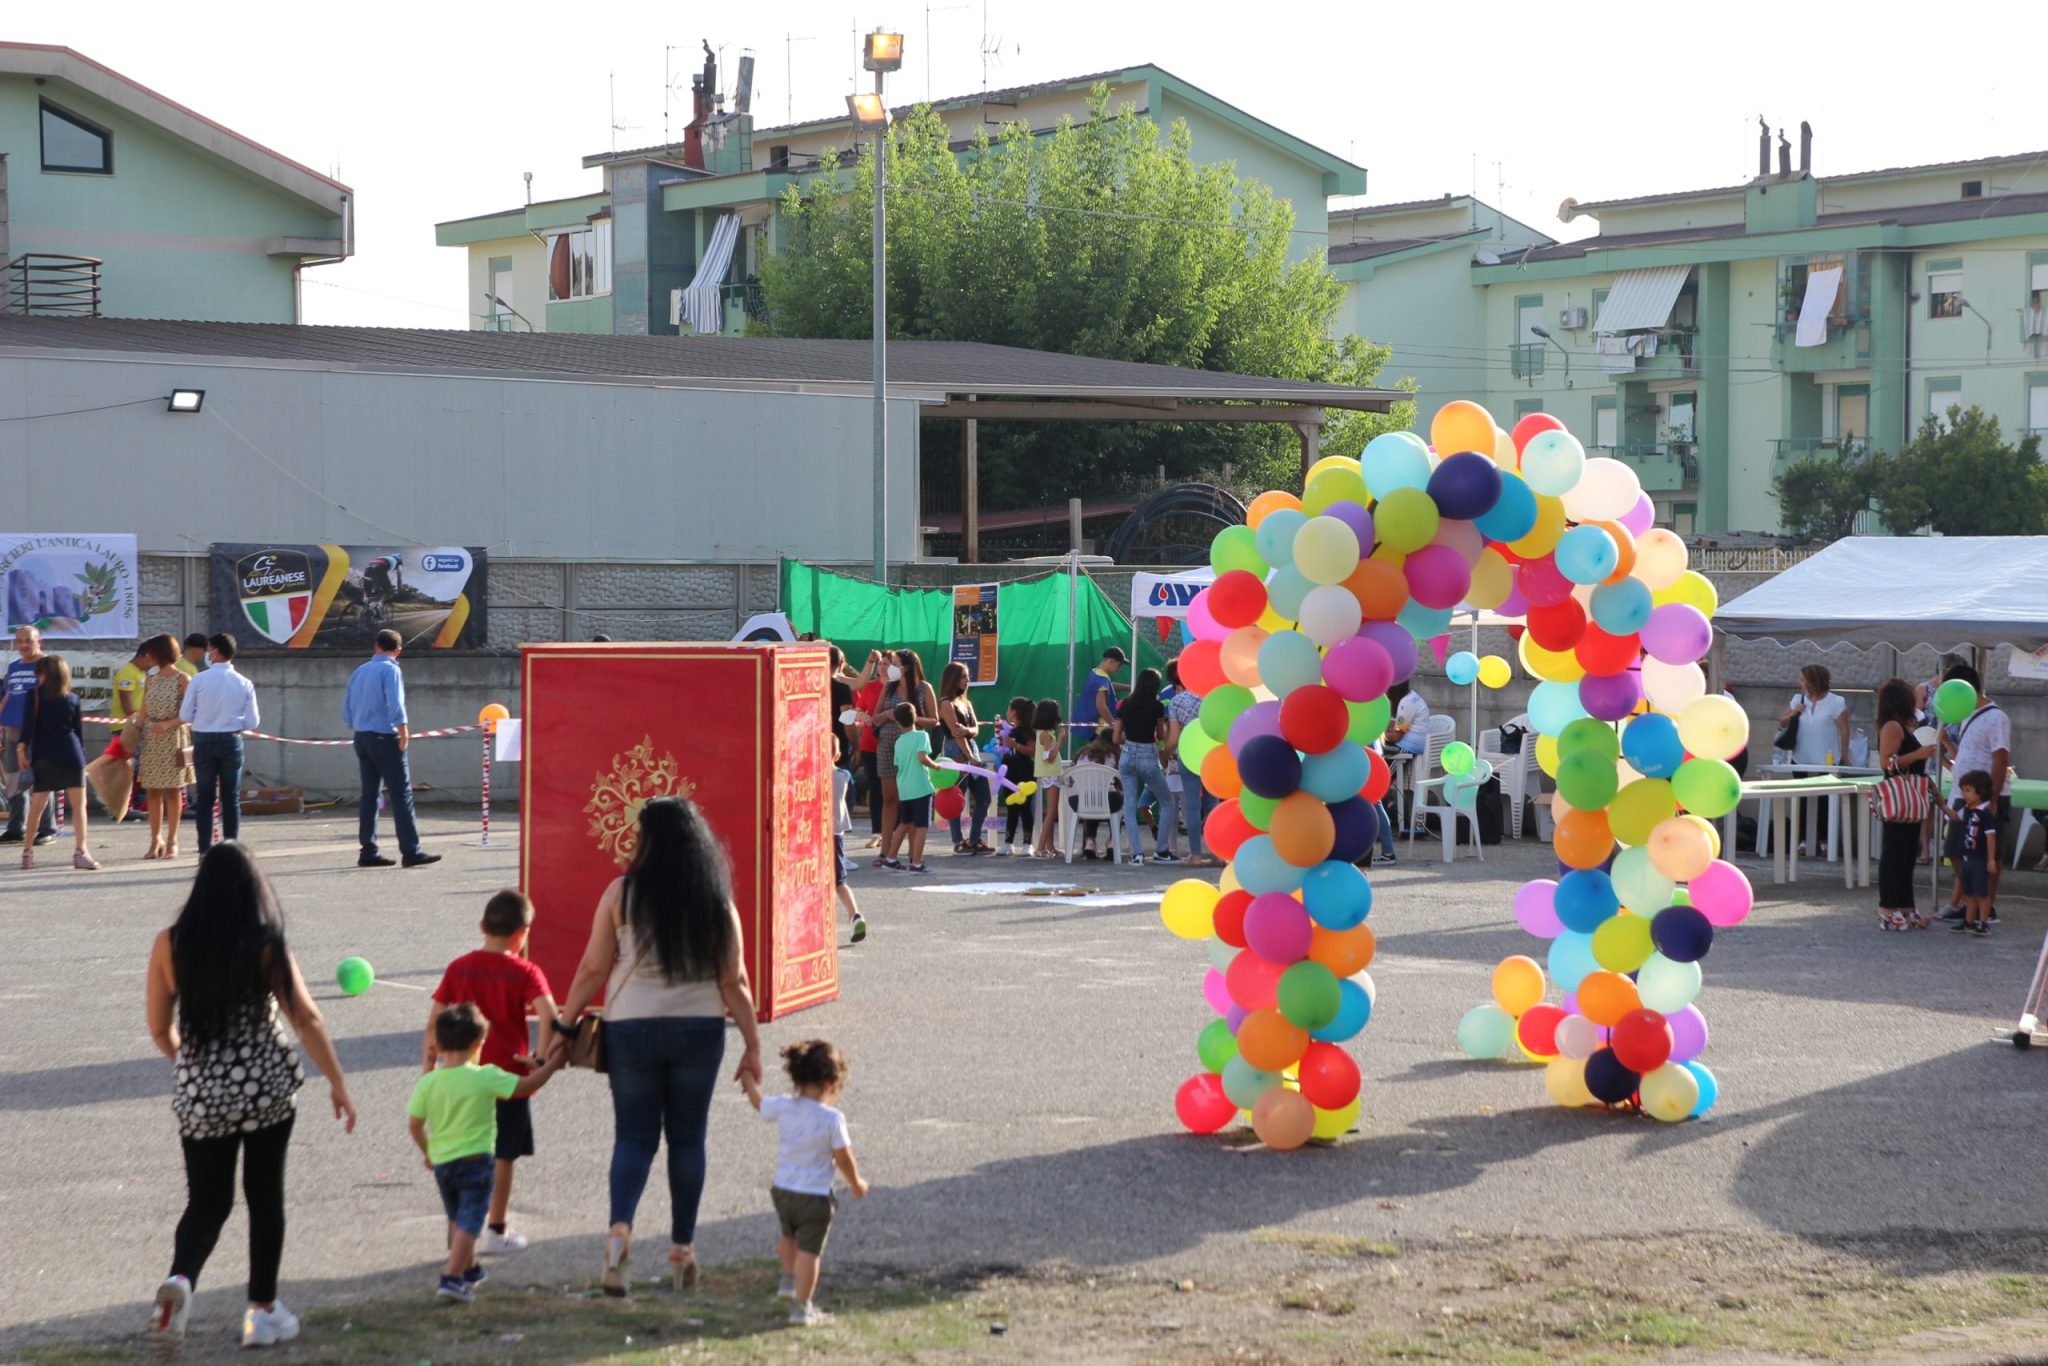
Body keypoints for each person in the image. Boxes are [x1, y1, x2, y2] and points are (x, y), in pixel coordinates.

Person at [145, 843, 359, 1356]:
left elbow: (158, 1027)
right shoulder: (265, 942)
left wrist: (194, 1067)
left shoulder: (170, 944)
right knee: (265, 1199)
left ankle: (181, 1280)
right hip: (265, 1087)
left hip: (203, 1094)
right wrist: (337, 1082)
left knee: (206, 1203)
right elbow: (304, 1017)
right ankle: (261, 1312)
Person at [550, 797, 764, 1297]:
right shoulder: (715, 899)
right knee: (687, 1140)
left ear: (646, 841)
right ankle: (682, 1249)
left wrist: (563, 1026)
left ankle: (619, 1232)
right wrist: (752, 1045)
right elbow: (734, 981)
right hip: (698, 1028)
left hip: (631, 1029)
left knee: (633, 1138)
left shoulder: (620, 894)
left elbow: (593, 971)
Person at [424, 890, 560, 1256]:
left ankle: (458, 1230)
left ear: (482, 926)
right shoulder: (526, 971)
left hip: (462, 1075)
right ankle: (496, 1228)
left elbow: (435, 1017)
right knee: (503, 1154)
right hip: (508, 1077)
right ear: (522, 934)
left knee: (462, 1147)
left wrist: (430, 1065)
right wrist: (541, 1055)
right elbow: (548, 1014)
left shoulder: (460, 967)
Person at [408, 1003, 566, 1302]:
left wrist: (427, 1151)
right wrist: (552, 1065)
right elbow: (527, 1085)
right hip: (476, 1161)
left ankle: (470, 1270)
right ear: (480, 1044)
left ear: (438, 1045)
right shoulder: (486, 1076)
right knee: (470, 1221)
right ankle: (451, 1278)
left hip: (442, 1163)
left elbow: (415, 1124)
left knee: (456, 1216)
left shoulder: (428, 1082)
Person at [739, 1039, 869, 1328]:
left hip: (783, 1190)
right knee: (810, 1252)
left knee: (789, 1236)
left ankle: (787, 1281)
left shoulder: (784, 1106)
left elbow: (758, 1102)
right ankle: (802, 1307)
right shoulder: (832, 1119)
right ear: (830, 1082)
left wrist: (748, 1079)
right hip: (815, 1197)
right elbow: (843, 1157)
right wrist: (857, 1182)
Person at [343, 628, 441, 869]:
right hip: (384, 737)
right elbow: (395, 703)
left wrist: (355, 726)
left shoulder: (360, 670)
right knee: (401, 794)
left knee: (369, 795)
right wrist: (403, 730)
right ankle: (411, 850)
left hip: (362, 736)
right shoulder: (391, 670)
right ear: (398, 651)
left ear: (376, 645)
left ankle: (368, 850)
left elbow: (347, 705)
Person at [1939, 663, 2012, 924]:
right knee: (1955, 849)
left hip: (1985, 796)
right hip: (1964, 794)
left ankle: (1986, 906)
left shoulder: (1996, 717)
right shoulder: (1968, 715)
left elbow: (2000, 759)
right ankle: (1970, 900)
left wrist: (1991, 799)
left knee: (1987, 853)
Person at [179, 634, 259, 854]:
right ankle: (232, 848)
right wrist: (233, 720)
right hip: (231, 740)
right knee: (230, 798)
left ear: (213, 651)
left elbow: (185, 714)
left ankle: (204, 849)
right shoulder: (244, 682)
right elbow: (253, 721)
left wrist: (204, 717)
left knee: (204, 797)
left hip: (204, 739)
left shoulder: (199, 679)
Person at [18, 654, 96, 870]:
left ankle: (27, 852)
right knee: (80, 806)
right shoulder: (72, 698)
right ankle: (81, 851)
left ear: (44, 675)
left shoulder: (33, 696)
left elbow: (27, 728)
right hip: (72, 753)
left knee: (37, 806)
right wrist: (82, 756)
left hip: (45, 755)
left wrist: (21, 750)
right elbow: (78, 733)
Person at [1873, 678, 1937, 931]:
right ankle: (1888, 906)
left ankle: (1906, 904)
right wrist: (1918, 754)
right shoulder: (1892, 726)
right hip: (1900, 797)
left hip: (1913, 797)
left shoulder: (1907, 726)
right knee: (1895, 852)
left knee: (1908, 853)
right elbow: (1886, 764)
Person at [869, 651, 937, 868]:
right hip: (888, 747)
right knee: (890, 799)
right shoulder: (888, 687)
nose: (890, 668)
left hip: (913, 749)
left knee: (913, 800)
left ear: (906, 667)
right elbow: (875, 718)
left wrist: (909, 717)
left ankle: (913, 854)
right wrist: (888, 715)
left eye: (895, 664)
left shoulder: (924, 688)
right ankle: (885, 851)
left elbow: (934, 720)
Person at [1778, 664, 1850, 857]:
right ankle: (1802, 840)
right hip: (1801, 756)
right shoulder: (1798, 700)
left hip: (1826, 758)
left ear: (1812, 681)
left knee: (1825, 799)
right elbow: (1782, 721)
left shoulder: (1836, 702)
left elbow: (1844, 728)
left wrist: (1845, 754)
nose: (1800, 683)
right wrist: (1794, 713)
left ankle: (1824, 840)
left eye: (1802, 679)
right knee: (1801, 797)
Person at [138, 634, 196, 861]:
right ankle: (155, 840)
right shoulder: (150, 679)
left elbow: (190, 713)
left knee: (173, 791)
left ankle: (172, 841)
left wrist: (168, 724)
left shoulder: (184, 679)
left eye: (150, 652)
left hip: (174, 738)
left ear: (159, 653)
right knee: (152, 790)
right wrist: (133, 729)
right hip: (152, 739)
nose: (147, 656)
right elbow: (144, 711)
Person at [1114, 667, 1180, 866]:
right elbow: (1160, 736)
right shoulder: (1157, 706)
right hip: (1148, 757)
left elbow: (1116, 738)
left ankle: (1137, 855)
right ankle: (1161, 850)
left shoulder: (1124, 705)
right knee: (1167, 802)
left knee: (1129, 806)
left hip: (1127, 757)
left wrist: (1129, 738)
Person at [84, 639, 152, 823]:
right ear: (144, 655)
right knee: (125, 769)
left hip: (135, 726)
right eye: (151, 660)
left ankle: (129, 806)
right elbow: (127, 703)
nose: (152, 664)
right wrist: (138, 722)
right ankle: (122, 807)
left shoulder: (140, 673)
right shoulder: (127, 673)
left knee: (135, 769)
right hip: (126, 728)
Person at [1, 624, 56, 846]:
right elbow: (7, 698)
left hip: (37, 730)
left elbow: (56, 696)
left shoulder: (48, 665)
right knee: (13, 780)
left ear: (39, 642)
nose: (23, 645)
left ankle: (46, 829)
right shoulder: (13, 667)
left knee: (40, 781)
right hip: (13, 731)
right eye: (20, 641)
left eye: (28, 641)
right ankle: (16, 828)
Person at [880, 701, 944, 873]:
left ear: (897, 723)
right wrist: (936, 766)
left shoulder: (899, 742)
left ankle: (891, 857)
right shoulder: (921, 736)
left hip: (905, 789)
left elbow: (899, 764)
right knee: (922, 826)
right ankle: (916, 862)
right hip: (921, 787)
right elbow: (922, 757)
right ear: (915, 718)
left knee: (905, 823)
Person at [1164, 662, 1216, 867]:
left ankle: (1195, 855)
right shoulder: (1212, 698)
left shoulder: (1177, 702)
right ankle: (1217, 853)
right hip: (1212, 754)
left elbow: (1174, 738)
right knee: (1212, 806)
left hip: (1188, 754)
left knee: (1192, 808)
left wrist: (1164, 753)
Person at [937, 662, 992, 854]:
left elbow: (974, 729)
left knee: (984, 796)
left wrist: (968, 732)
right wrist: (968, 757)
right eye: (963, 677)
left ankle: (974, 838)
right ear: (952, 679)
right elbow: (955, 733)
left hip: (972, 750)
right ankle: (958, 840)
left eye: (968, 676)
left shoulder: (966, 702)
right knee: (956, 798)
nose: (967, 681)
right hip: (955, 752)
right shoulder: (946, 703)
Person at [1952, 770, 2000, 938]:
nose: (1964, 794)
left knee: (1981, 893)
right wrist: (1940, 804)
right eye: (1963, 790)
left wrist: (1991, 859)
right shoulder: (1966, 810)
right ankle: (1969, 921)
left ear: (1981, 791)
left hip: (1979, 858)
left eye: (1968, 790)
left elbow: (1990, 837)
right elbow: (1955, 817)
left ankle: (1984, 922)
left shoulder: (1985, 814)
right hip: (1965, 856)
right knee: (1969, 893)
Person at [830, 734, 866, 942]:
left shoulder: (811, 777)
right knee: (839, 881)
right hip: (837, 835)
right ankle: (854, 914)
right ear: (837, 755)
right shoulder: (843, 776)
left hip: (816, 834)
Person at [1067, 733, 1124, 860]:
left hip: (1077, 799)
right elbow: (1121, 781)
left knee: (1091, 799)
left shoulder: (1082, 753)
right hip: (1108, 800)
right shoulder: (1113, 755)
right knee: (1112, 799)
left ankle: (1090, 842)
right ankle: (1112, 841)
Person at [852, 650, 888, 847]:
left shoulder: (898, 688)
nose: (882, 667)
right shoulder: (870, 687)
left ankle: (893, 830)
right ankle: (877, 833)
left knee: (891, 788)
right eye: (881, 663)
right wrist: (863, 717)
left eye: (887, 664)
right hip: (870, 745)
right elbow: (857, 712)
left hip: (892, 746)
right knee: (876, 789)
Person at [996, 696, 1036, 856]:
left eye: (1009, 709)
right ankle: (1008, 842)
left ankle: (1027, 843)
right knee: (1011, 808)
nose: (1007, 712)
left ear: (1014, 712)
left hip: (1025, 773)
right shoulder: (1009, 730)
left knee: (1025, 809)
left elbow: (1031, 751)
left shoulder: (1028, 731)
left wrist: (1015, 745)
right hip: (1009, 774)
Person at [1073, 646, 1128, 745]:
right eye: (1119, 665)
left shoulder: (1096, 673)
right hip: (1102, 732)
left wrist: (1128, 687)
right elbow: (1101, 706)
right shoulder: (1101, 678)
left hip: (1097, 730)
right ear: (1111, 661)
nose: (1119, 669)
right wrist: (1114, 725)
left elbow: (1109, 686)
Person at [1031, 699, 1064, 858]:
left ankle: (1050, 846)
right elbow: (1050, 758)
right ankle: (1041, 846)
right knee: (1051, 812)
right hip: (1050, 774)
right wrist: (1060, 741)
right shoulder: (1046, 735)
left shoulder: (1044, 733)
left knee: (1051, 811)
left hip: (1050, 774)